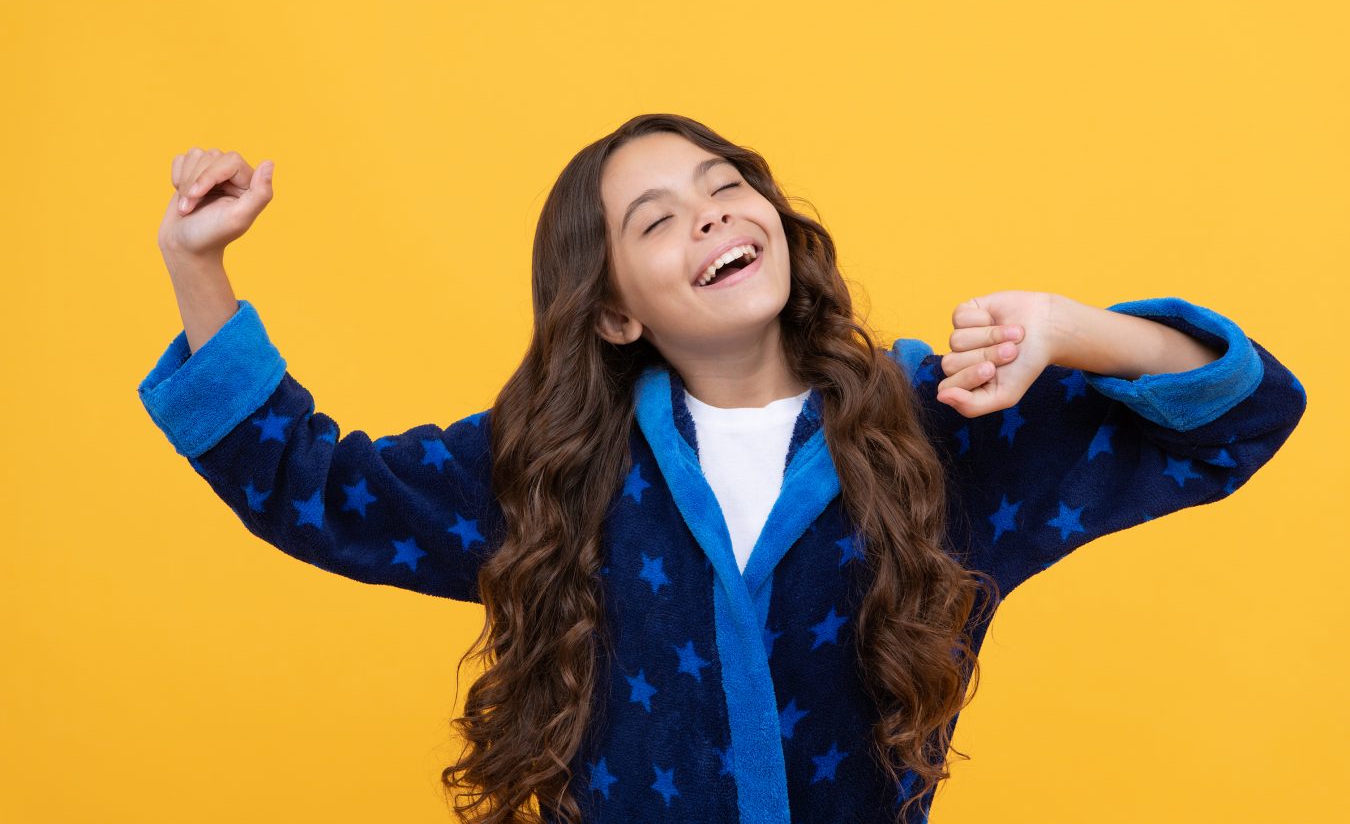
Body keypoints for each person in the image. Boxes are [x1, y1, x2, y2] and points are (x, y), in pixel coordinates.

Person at [138, 114, 1307, 824]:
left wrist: (1072, 326)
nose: (708, 216)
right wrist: (200, 269)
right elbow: (311, 488)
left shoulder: (935, 429)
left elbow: (1239, 416)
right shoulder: (557, 473)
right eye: (656, 221)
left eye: (724, 187)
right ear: (610, 313)